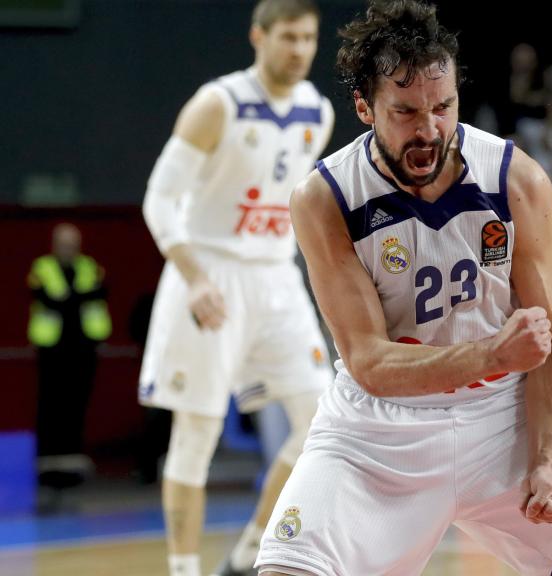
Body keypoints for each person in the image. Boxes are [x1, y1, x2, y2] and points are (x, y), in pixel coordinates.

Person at [256, 2, 552, 575]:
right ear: (364, 108)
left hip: (507, 413)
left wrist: (546, 460)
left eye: (443, 107)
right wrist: (491, 353)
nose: (429, 130)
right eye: (404, 112)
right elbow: (369, 360)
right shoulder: (325, 198)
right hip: (380, 432)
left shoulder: (514, 178)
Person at [137, 1, 335, 575]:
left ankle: (250, 552)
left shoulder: (315, 112)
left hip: (276, 274)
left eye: (308, 39)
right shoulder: (216, 103)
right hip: (209, 270)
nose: (299, 50)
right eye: (289, 38)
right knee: (195, 433)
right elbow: (159, 198)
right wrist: (193, 276)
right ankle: (183, 569)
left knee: (323, 420)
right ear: (259, 36)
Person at [27, 223, 111, 492]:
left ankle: (73, 465)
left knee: (77, 405)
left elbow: (101, 292)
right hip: (52, 349)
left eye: (73, 243)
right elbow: (47, 300)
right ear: (54, 244)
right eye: (64, 243)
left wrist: (69, 298)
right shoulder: (42, 268)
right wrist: (78, 298)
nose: (69, 249)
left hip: (83, 348)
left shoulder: (89, 267)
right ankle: (48, 466)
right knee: (51, 407)